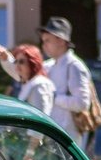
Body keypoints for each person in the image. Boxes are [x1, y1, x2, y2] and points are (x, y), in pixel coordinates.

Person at [38, 17, 95, 150]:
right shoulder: (49, 65)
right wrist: (6, 59)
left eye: (47, 40)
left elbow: (82, 103)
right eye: (43, 41)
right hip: (52, 135)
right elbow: (25, 74)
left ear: (61, 41)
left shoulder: (75, 66)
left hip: (68, 138)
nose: (43, 45)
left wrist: (54, 98)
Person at [0, 41, 54, 115]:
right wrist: (5, 56)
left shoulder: (39, 84)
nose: (17, 66)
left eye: (21, 62)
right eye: (16, 62)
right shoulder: (30, 82)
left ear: (33, 63)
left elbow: (41, 117)